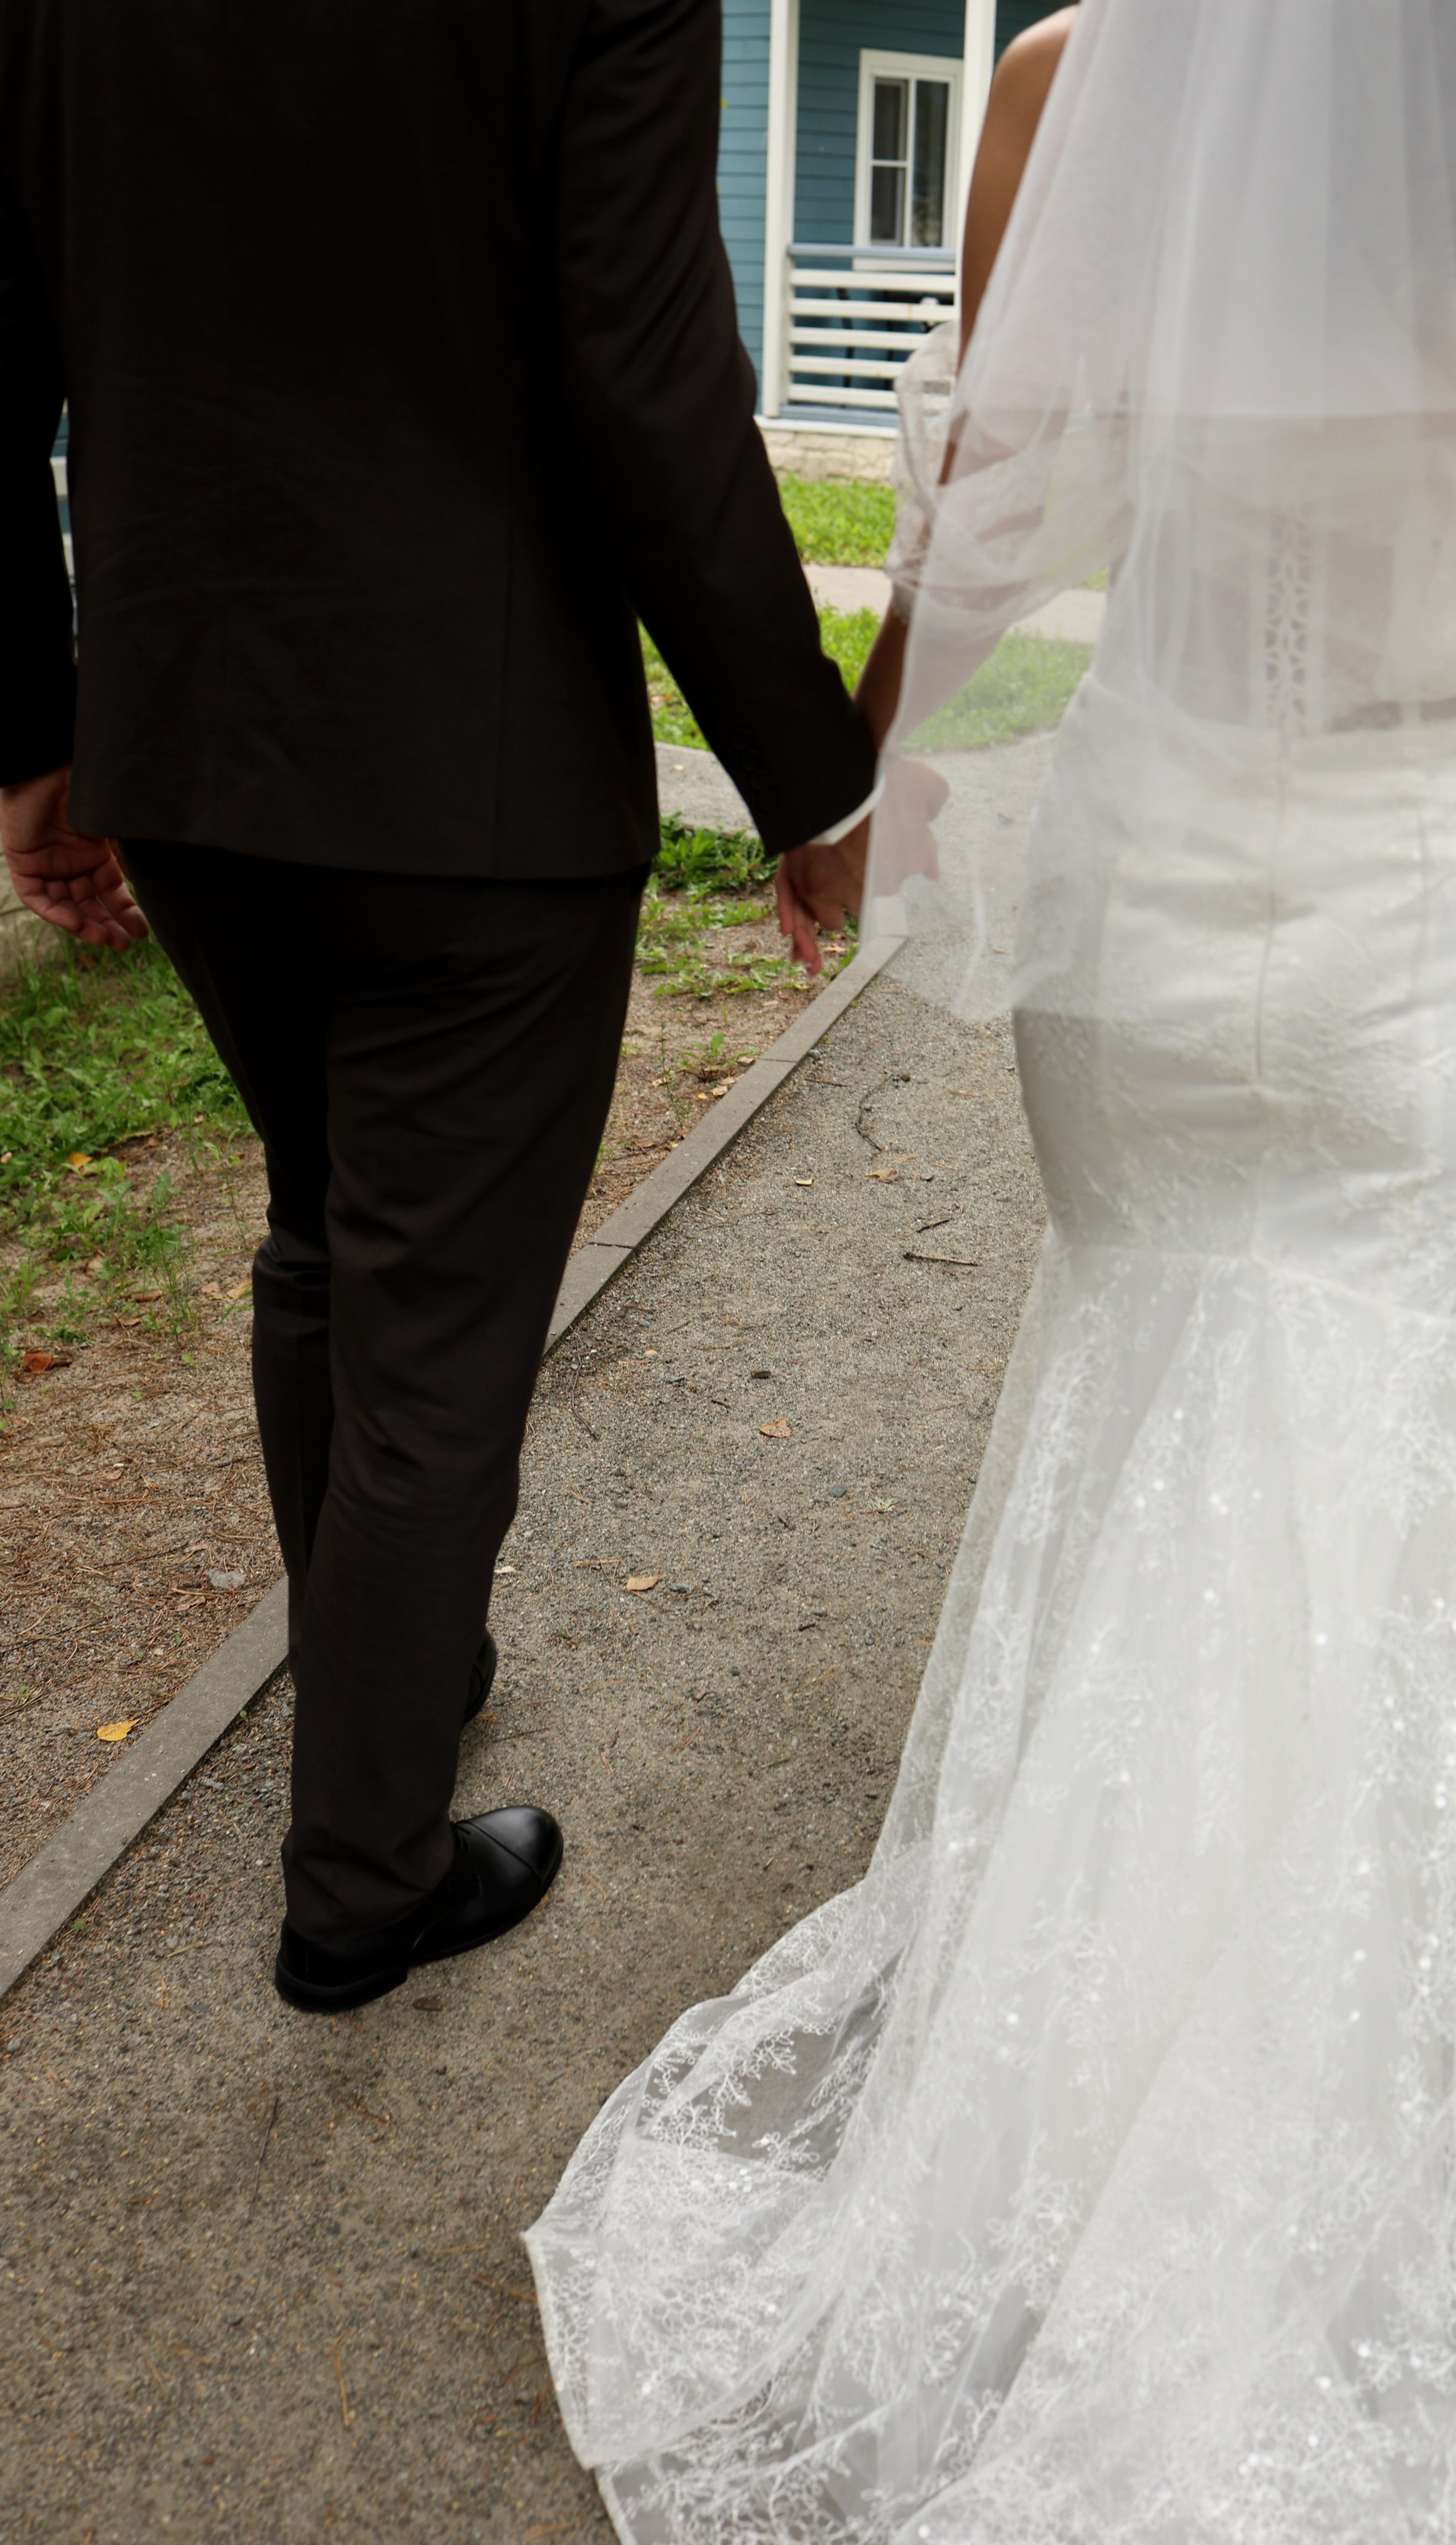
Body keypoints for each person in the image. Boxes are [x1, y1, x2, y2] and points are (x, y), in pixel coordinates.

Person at [528, 1, 1456, 2545]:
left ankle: (1064, 2094)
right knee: (1360, 1458)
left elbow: (989, 505)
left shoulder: (1069, 76)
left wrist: (864, 786)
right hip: (1409, 897)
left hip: (1159, 876)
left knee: (1146, 1395)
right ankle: (1271, 2113)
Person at [0, 0, 880, 2013]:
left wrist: (33, 732)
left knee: (329, 1231)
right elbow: (648, 383)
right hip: (474, 779)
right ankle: (364, 1885)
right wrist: (807, 779)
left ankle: (395, 1665)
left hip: (193, 743)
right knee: (437, 1325)